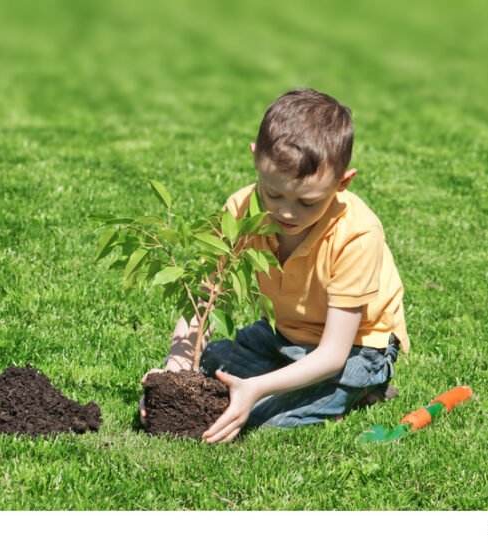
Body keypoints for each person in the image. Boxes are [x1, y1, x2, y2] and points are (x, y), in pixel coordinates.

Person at [141, 88, 410, 443]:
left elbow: (332, 354)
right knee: (212, 362)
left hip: (357, 347)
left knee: (264, 415)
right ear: (256, 159)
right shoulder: (239, 211)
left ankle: (359, 391)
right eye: (274, 194)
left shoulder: (357, 233)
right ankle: (293, 387)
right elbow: (206, 299)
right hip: (284, 335)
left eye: (307, 202)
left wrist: (254, 389)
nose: (286, 212)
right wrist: (174, 371)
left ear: (343, 182)